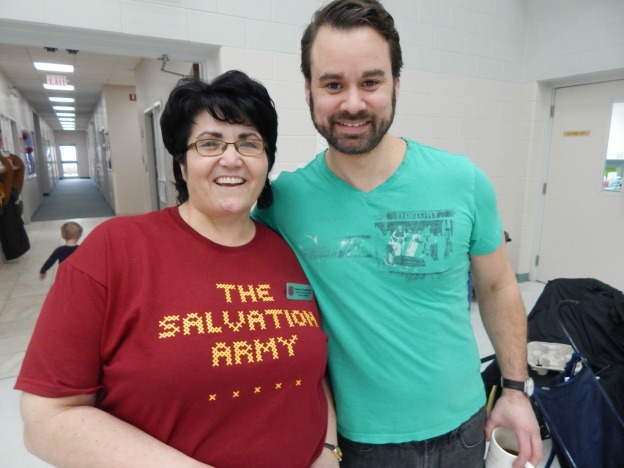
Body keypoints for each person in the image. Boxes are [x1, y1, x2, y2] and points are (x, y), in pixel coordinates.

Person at [252, 1, 543, 467]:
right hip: (356, 442)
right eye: (332, 84)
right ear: (307, 91)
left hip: (464, 427)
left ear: (396, 85)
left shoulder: (461, 180)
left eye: (370, 81)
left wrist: (514, 388)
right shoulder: (282, 204)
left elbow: (497, 284)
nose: (352, 102)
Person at [15, 70, 339, 468]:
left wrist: (326, 450)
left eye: (249, 143)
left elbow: (314, 369)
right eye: (210, 143)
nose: (232, 157)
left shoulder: (287, 250)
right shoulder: (114, 250)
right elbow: (48, 418)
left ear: (266, 159)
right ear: (182, 164)